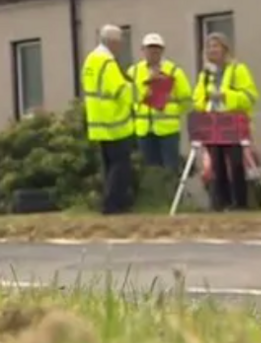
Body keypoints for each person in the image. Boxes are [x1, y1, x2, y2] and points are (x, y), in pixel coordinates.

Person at [190, 32, 258, 211]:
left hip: (232, 121)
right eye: (209, 47)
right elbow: (197, 98)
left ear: (225, 49)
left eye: (216, 46)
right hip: (212, 122)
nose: (212, 50)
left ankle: (240, 203)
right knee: (216, 163)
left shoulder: (238, 70)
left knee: (235, 163)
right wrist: (204, 102)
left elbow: (250, 96)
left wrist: (226, 96)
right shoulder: (205, 74)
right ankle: (221, 202)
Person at [81, 24, 136, 214]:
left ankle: (111, 202)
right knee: (120, 165)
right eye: (120, 42)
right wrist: (140, 91)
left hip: (98, 120)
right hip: (114, 120)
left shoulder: (91, 59)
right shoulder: (107, 61)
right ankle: (113, 204)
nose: (121, 46)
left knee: (109, 164)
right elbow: (119, 89)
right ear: (112, 42)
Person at [128, 33, 191, 172]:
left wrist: (170, 103)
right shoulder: (134, 71)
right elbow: (128, 97)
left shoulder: (174, 71)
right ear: (143, 50)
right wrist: (147, 89)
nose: (153, 52)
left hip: (168, 130)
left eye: (157, 48)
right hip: (143, 129)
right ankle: (155, 194)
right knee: (150, 171)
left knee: (170, 170)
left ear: (162, 50)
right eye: (150, 48)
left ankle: (171, 193)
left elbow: (187, 100)